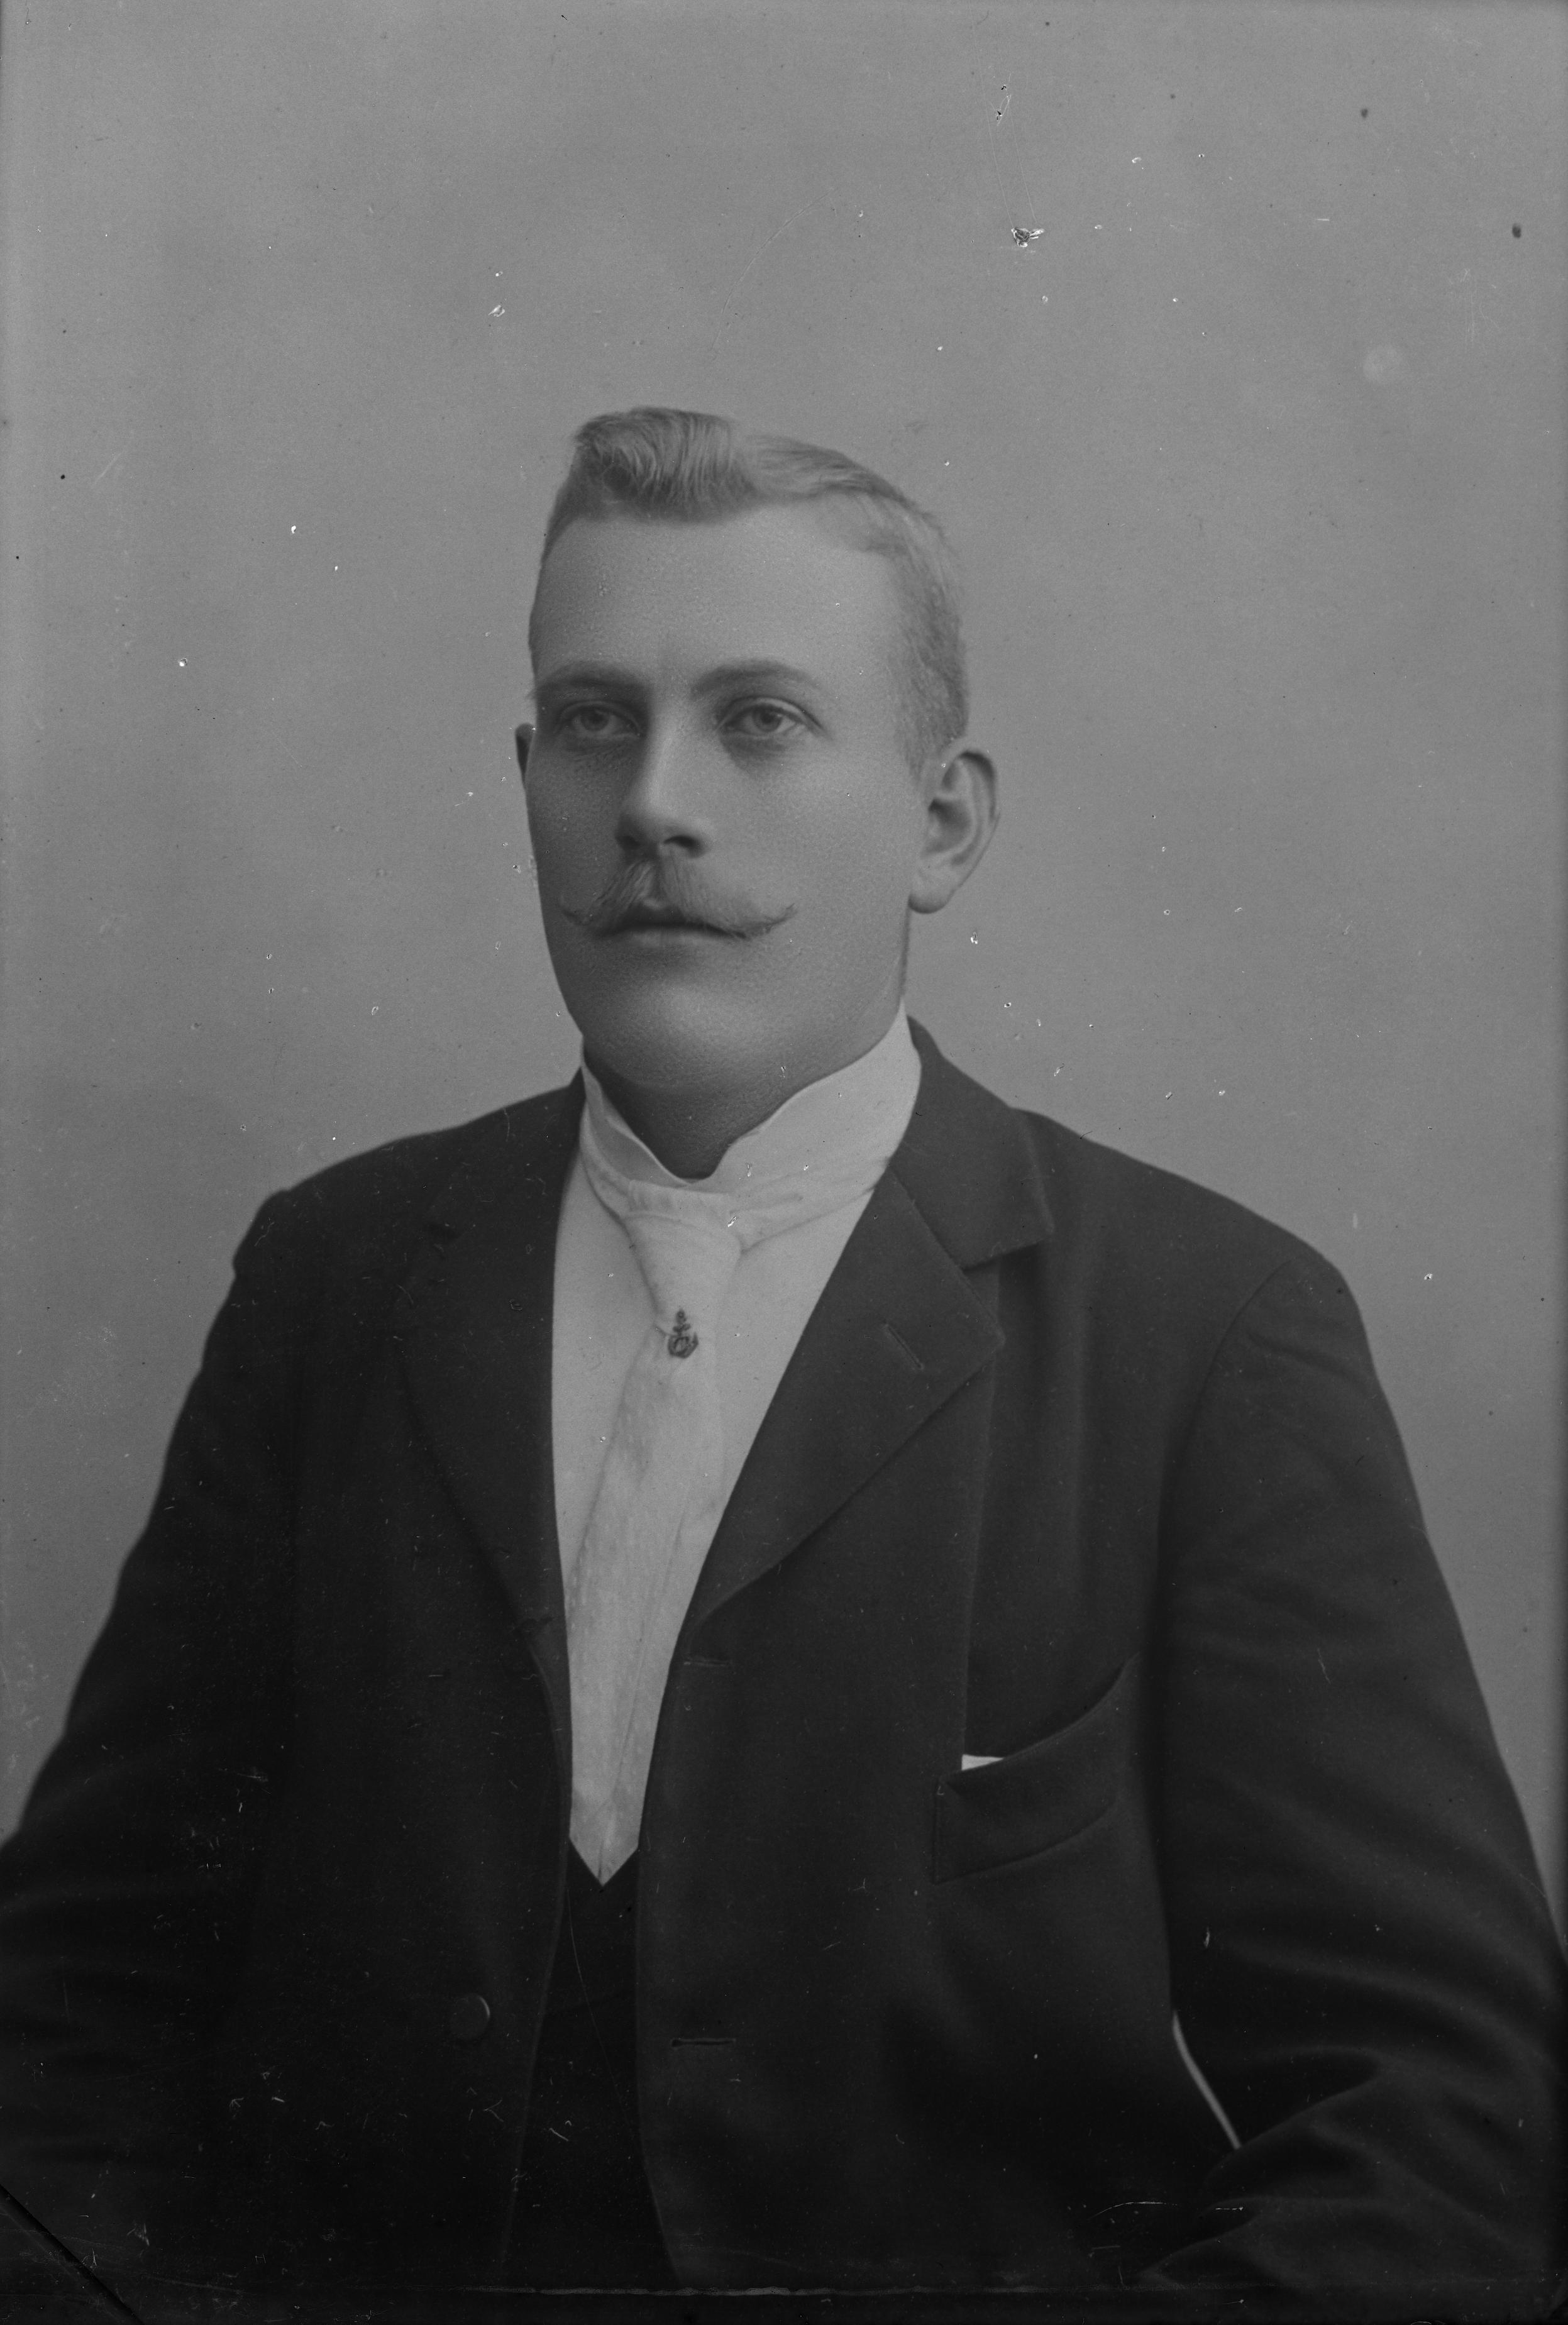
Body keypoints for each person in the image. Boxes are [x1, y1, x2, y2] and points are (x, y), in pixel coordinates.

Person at [0, 407, 1562, 2314]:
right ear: (528, 779)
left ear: (942, 824)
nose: (655, 802)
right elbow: (70, 2014)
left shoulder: (1204, 1334)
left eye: (758, 720)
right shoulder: (336, 1280)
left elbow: (1446, 2130)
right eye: (594, 720)